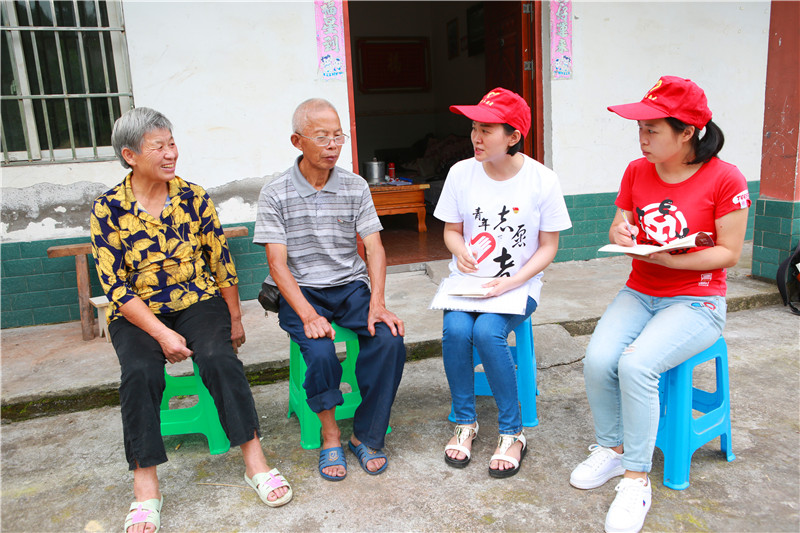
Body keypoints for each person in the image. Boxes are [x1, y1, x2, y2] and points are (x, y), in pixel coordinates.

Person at [91, 107, 292, 533]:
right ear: (130, 155)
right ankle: (146, 486)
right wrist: (163, 335)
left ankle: (255, 462)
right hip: (138, 312)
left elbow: (220, 261)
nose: (171, 154)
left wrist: (235, 318)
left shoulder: (193, 196)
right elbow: (116, 288)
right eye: (159, 147)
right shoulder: (108, 208)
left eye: (172, 143)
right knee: (139, 371)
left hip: (197, 300)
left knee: (219, 358)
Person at [569, 76, 750, 533]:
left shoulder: (725, 178)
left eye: (652, 129)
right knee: (597, 360)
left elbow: (729, 253)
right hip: (640, 291)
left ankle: (636, 478)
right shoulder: (637, 170)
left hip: (697, 300)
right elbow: (619, 225)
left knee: (636, 366)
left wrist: (672, 260)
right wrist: (621, 233)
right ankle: (612, 450)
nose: (642, 138)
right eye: (640, 128)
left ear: (687, 132)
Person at [253, 98, 406, 481]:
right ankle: (330, 433)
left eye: (338, 136)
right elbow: (277, 264)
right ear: (297, 141)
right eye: (322, 137)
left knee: (389, 339)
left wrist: (378, 302)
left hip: (349, 286)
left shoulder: (355, 186)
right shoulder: (275, 192)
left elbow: (374, 247)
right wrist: (308, 314)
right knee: (320, 352)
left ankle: (366, 434)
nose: (333, 145)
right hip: (300, 290)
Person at [434, 88, 572, 478]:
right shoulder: (461, 173)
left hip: (520, 285)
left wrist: (514, 280)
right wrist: (460, 249)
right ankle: (465, 422)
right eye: (474, 128)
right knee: (457, 330)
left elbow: (549, 246)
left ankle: (512, 431)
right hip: (469, 283)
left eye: (487, 130)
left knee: (488, 331)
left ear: (513, 136)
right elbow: (451, 231)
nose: (476, 138)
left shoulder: (541, 180)